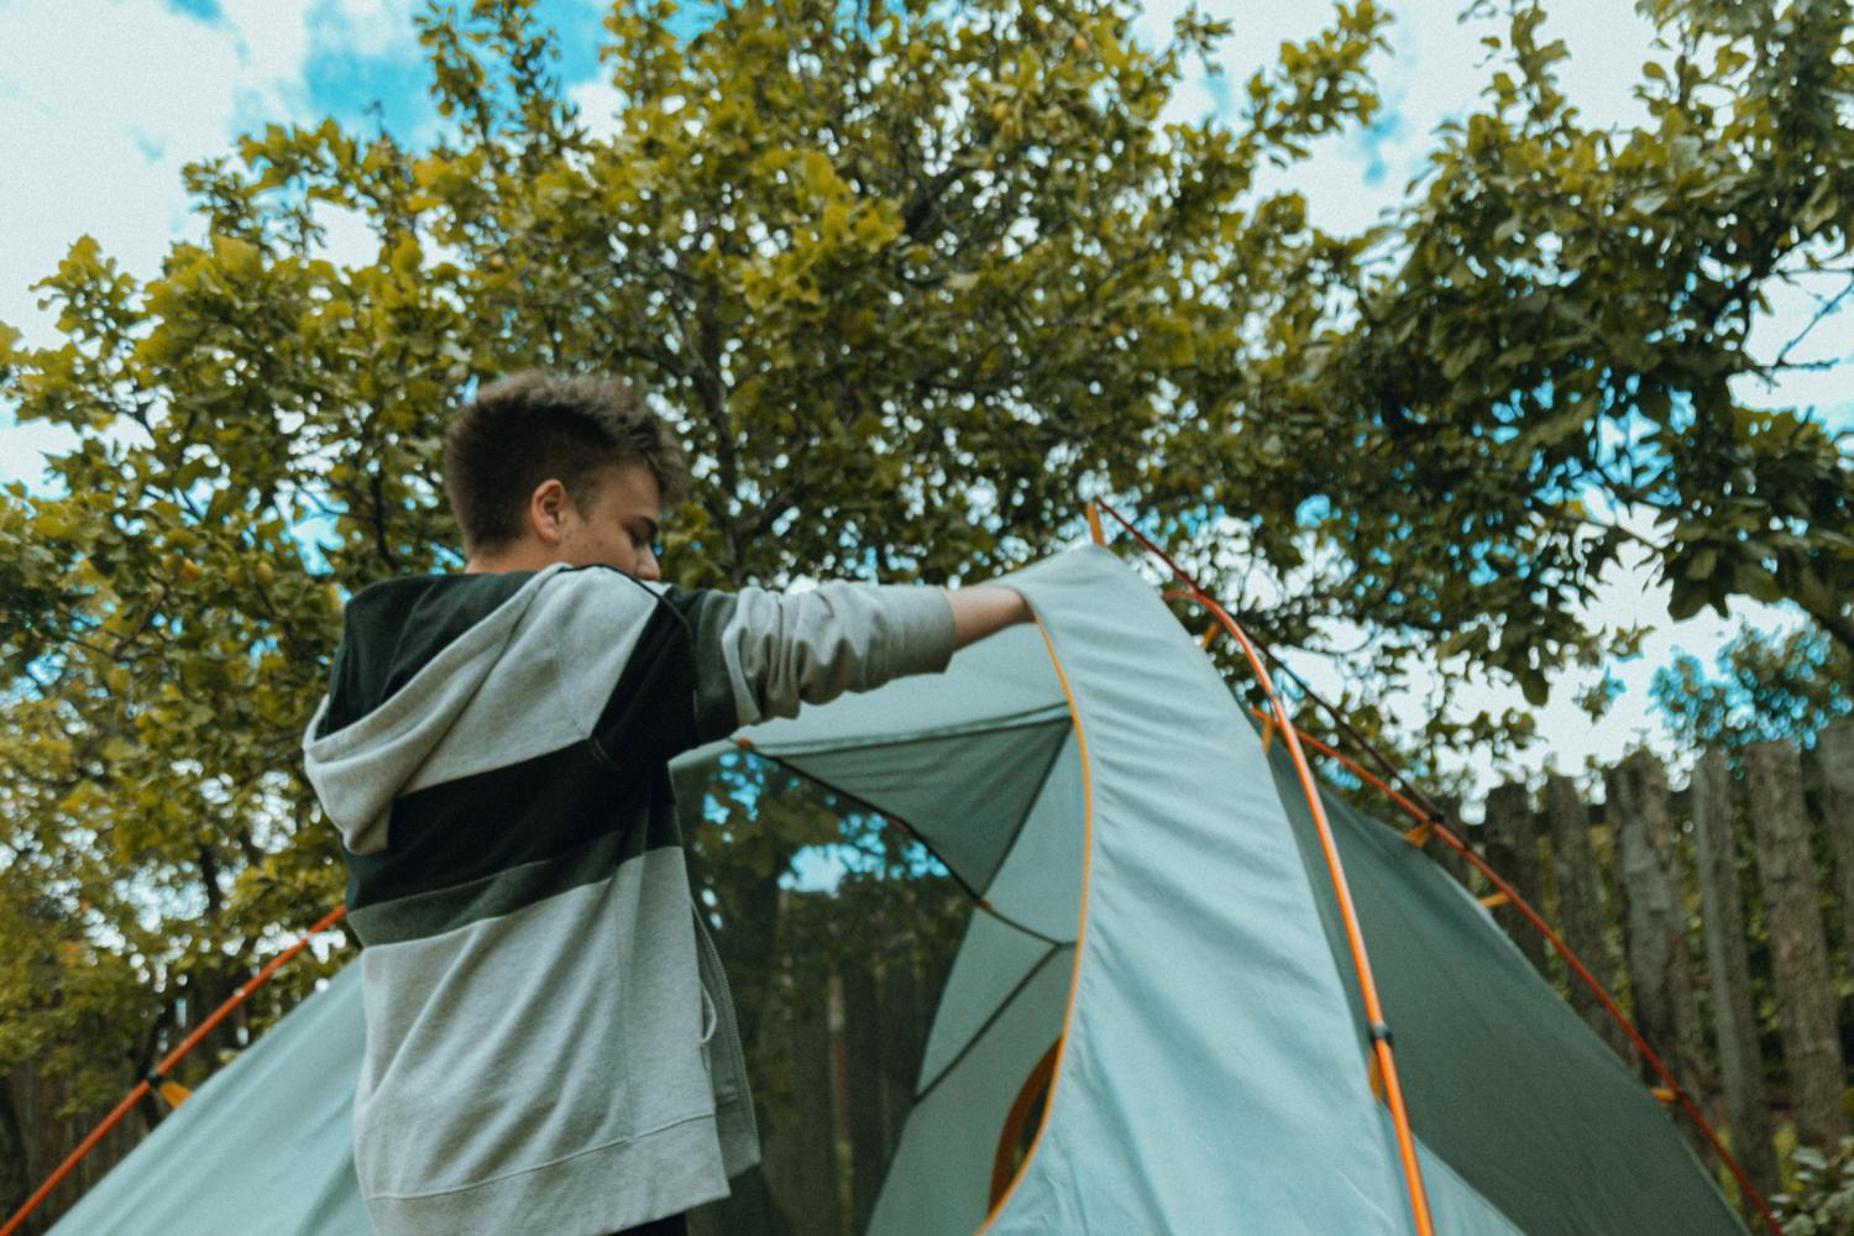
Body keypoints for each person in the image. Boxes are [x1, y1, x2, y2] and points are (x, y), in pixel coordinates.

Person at [300, 371, 1031, 1236]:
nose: (651, 568)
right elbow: (797, 641)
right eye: (637, 534)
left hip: (421, 1177)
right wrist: (1025, 602)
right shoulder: (571, 629)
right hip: (565, 1169)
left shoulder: (371, 695)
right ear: (551, 511)